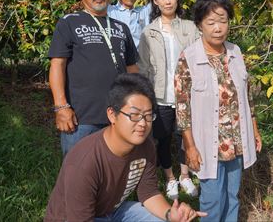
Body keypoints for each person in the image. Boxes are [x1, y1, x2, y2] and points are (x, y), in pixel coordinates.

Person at [44, 73, 207, 222]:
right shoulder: (84, 162)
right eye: (134, 115)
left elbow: (149, 193)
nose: (143, 123)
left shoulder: (146, 145)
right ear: (112, 115)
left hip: (112, 211)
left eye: (148, 115)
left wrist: (170, 214)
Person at [174, 0, 263, 222]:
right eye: (211, 22)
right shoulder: (189, 58)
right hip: (207, 142)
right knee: (213, 199)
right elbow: (182, 107)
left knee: (232, 195)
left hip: (236, 141)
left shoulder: (235, 52)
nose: (217, 28)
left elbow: (247, 96)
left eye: (222, 20)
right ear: (199, 25)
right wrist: (190, 146)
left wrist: (254, 130)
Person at [48, 0, 139, 156]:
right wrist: (61, 107)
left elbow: (132, 69)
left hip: (118, 116)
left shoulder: (121, 28)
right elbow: (57, 65)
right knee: (78, 176)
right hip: (81, 120)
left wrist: (136, 103)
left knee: (114, 174)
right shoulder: (69, 22)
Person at [138, 0, 201, 200]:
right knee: (163, 138)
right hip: (160, 95)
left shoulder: (190, 28)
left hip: (186, 96)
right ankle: (170, 178)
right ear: (155, 1)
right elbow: (143, 67)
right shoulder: (149, 32)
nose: (168, 1)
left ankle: (185, 175)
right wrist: (147, 96)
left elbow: (198, 59)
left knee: (185, 136)